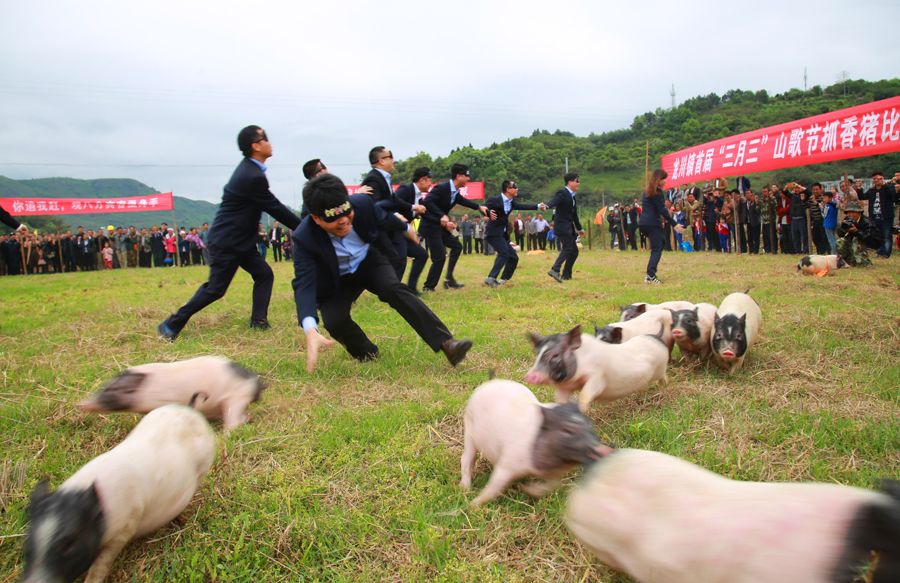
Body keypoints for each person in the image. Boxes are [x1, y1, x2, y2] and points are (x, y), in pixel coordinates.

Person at [291, 173, 473, 372]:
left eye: (347, 213)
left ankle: (447, 344)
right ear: (316, 218)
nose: (344, 221)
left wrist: (405, 228)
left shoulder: (361, 204)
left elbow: (382, 216)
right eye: (334, 220)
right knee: (335, 321)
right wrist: (310, 328)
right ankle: (367, 354)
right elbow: (304, 284)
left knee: (393, 289)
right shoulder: (304, 238)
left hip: (368, 263)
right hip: (334, 280)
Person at [158, 125, 300, 341]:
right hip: (228, 242)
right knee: (215, 289)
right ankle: (171, 324)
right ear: (256, 146)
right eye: (265, 139)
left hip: (241, 241)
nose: (270, 143)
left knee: (264, 274)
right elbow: (274, 207)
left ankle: (258, 321)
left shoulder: (250, 170)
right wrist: (304, 226)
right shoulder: (251, 175)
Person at [419, 163, 489, 291]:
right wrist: (441, 216)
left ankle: (449, 279)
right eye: (466, 176)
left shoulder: (455, 192)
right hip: (430, 226)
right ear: (459, 176)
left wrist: (479, 207)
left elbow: (463, 200)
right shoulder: (441, 188)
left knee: (457, 247)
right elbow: (427, 202)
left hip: (441, 226)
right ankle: (428, 287)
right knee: (439, 257)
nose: (468, 179)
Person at [483, 180, 546, 287]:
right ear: (508, 189)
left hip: (502, 235)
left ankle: (503, 280)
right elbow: (483, 207)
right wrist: (488, 213)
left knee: (513, 258)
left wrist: (538, 206)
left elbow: (522, 206)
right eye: (515, 187)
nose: (517, 189)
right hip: (493, 233)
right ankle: (491, 278)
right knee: (503, 253)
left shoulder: (511, 202)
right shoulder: (496, 200)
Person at [385, 166, 431, 294]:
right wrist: (413, 208)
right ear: (422, 180)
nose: (430, 183)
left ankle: (411, 288)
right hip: (393, 231)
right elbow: (393, 204)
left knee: (422, 255)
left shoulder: (419, 198)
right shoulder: (406, 189)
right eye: (429, 180)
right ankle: (393, 292)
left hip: (403, 233)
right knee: (400, 261)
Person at [639, 169, 684, 284]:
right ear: (659, 180)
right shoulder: (657, 192)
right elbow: (662, 210)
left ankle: (650, 274)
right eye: (664, 179)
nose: (665, 182)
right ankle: (650, 275)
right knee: (657, 248)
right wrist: (674, 224)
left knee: (661, 242)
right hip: (652, 223)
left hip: (644, 223)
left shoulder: (647, 191)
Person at [547, 172, 585, 282]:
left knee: (574, 252)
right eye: (577, 181)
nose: (578, 183)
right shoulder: (563, 193)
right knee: (568, 248)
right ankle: (555, 269)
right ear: (570, 182)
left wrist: (579, 228)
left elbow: (574, 215)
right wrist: (547, 206)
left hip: (568, 227)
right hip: (562, 227)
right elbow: (554, 201)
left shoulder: (572, 197)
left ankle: (566, 275)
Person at [836, 200, 882, 266]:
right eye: (848, 213)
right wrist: (844, 229)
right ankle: (848, 262)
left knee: (856, 240)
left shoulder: (867, 222)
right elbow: (840, 234)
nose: (850, 215)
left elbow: (869, 238)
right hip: (854, 241)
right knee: (840, 242)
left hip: (871, 243)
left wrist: (856, 231)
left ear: (859, 212)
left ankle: (864, 263)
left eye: (853, 212)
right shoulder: (847, 220)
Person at [862, 171, 897, 258]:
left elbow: (892, 196)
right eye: (874, 179)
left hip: (886, 216)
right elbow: (862, 196)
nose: (876, 180)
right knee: (877, 235)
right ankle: (880, 252)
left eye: (879, 178)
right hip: (874, 216)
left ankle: (886, 253)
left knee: (886, 235)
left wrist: (884, 185)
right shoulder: (872, 190)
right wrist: (859, 188)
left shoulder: (889, 187)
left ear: (882, 179)